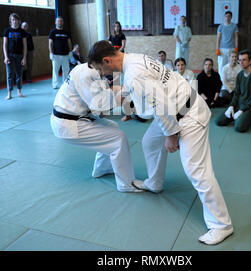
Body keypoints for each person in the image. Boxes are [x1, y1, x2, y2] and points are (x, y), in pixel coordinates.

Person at [88, 40, 234, 245]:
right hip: (176, 108)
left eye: (100, 69)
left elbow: (160, 103)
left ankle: (221, 225)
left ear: (106, 60)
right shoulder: (134, 59)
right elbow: (146, 91)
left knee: (196, 171)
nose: (102, 74)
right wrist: (127, 105)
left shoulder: (133, 73)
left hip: (188, 114)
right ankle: (154, 183)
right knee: (149, 142)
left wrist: (171, 135)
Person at [50, 62, 142, 193]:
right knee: (118, 138)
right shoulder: (88, 74)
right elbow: (100, 110)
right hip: (68, 123)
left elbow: (99, 107)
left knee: (113, 126)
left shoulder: (86, 68)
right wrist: (120, 97)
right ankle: (127, 184)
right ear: (104, 61)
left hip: (74, 116)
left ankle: (102, 168)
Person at [215, 50, 251, 132]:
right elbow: (236, 93)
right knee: (219, 121)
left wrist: (242, 110)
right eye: (240, 60)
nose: (241, 62)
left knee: (239, 127)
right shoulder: (240, 75)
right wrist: (231, 106)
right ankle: (242, 117)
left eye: (244, 60)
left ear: (250, 61)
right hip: (239, 105)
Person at [3, 13, 27, 100]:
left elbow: (25, 45)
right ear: (10, 21)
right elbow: (5, 44)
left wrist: (24, 57)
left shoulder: (22, 32)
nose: (14, 21)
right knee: (9, 74)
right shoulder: (7, 31)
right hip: (10, 55)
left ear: (19, 21)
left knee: (19, 74)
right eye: (13, 19)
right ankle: (9, 93)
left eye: (16, 19)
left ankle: (19, 91)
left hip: (19, 55)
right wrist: (6, 56)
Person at [49, 16, 72, 89]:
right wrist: (51, 53)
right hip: (56, 55)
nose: (59, 22)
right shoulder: (53, 32)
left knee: (66, 70)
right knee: (55, 71)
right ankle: (55, 84)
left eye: (61, 21)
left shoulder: (66, 32)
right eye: (58, 21)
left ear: (63, 22)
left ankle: (65, 84)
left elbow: (69, 42)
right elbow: (50, 43)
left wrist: (70, 51)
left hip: (65, 55)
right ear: (55, 22)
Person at [216, 11, 239, 75]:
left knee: (231, 65)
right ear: (224, 17)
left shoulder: (234, 26)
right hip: (222, 49)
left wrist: (236, 48)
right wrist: (217, 49)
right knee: (221, 66)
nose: (227, 18)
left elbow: (236, 38)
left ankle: (231, 80)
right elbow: (218, 38)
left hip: (231, 48)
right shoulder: (220, 26)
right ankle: (221, 81)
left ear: (231, 17)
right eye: (226, 16)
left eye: (229, 16)